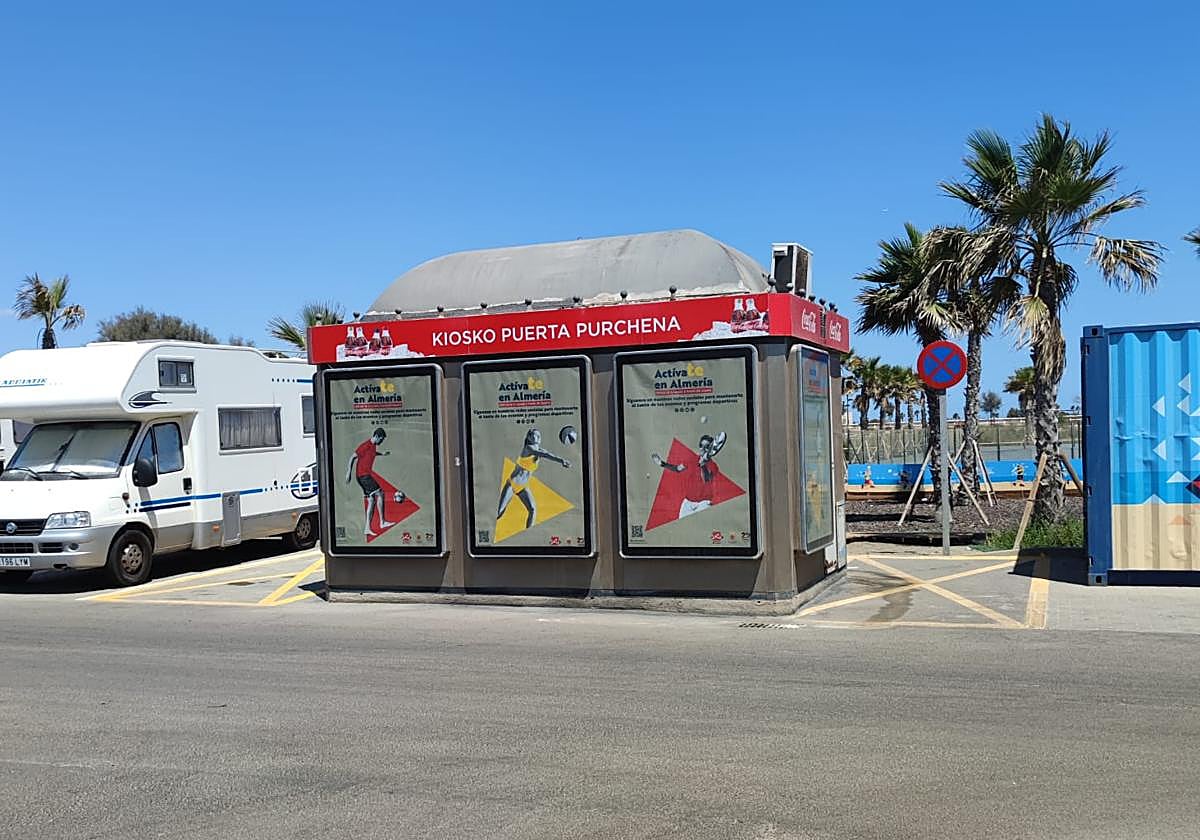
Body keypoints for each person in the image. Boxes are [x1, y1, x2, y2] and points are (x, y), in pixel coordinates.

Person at [497, 429, 571, 529]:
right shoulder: (528, 448)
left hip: (523, 487)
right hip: (513, 484)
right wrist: (561, 460)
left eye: (538, 435)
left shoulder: (539, 450)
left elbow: (548, 454)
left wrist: (562, 460)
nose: (537, 437)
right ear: (529, 437)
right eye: (533, 435)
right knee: (499, 512)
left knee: (532, 509)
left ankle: (529, 532)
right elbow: (546, 455)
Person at [651, 432, 727, 518]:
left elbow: (707, 479)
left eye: (707, 447)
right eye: (701, 445)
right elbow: (677, 469)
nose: (703, 449)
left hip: (704, 503)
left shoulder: (713, 466)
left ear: (711, 448)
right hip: (688, 502)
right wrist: (662, 463)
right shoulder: (691, 460)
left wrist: (703, 466)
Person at [346, 428, 397, 536]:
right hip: (363, 476)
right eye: (381, 440)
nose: (381, 442)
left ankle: (367, 528)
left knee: (371, 501)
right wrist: (348, 472)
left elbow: (372, 453)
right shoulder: (365, 445)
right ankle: (382, 522)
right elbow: (352, 457)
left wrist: (382, 454)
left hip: (363, 476)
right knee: (381, 494)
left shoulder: (373, 446)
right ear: (377, 436)